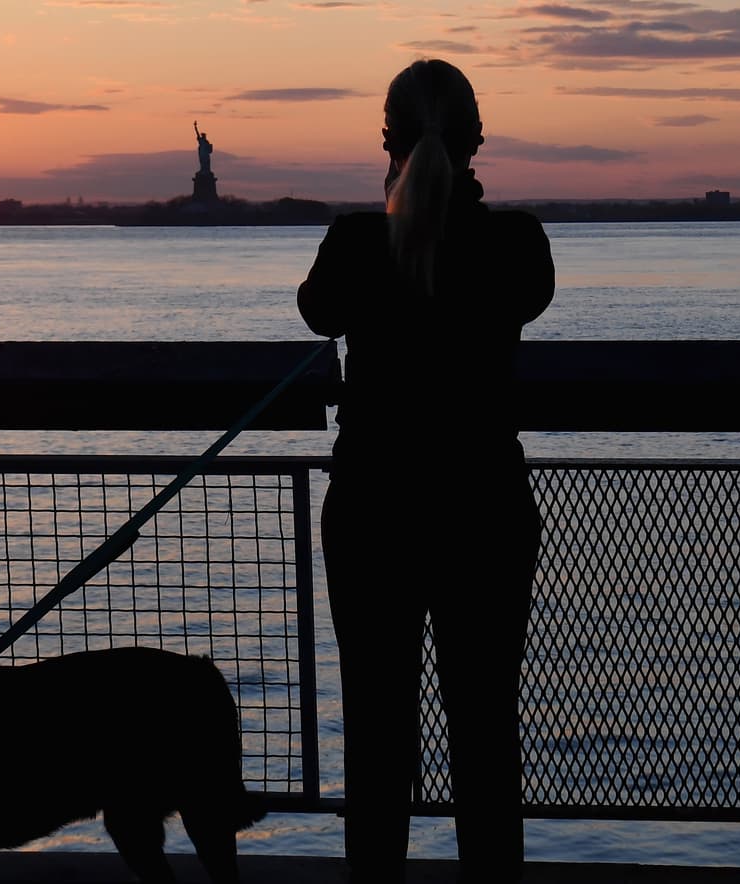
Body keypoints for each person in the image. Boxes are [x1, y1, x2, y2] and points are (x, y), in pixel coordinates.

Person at [297, 59, 554, 883]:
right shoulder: (518, 244)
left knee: (377, 735)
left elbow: (317, 310)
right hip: (485, 507)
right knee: (485, 730)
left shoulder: (352, 243)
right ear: (477, 141)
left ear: (387, 141)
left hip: (373, 510)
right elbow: (525, 297)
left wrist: (393, 211)